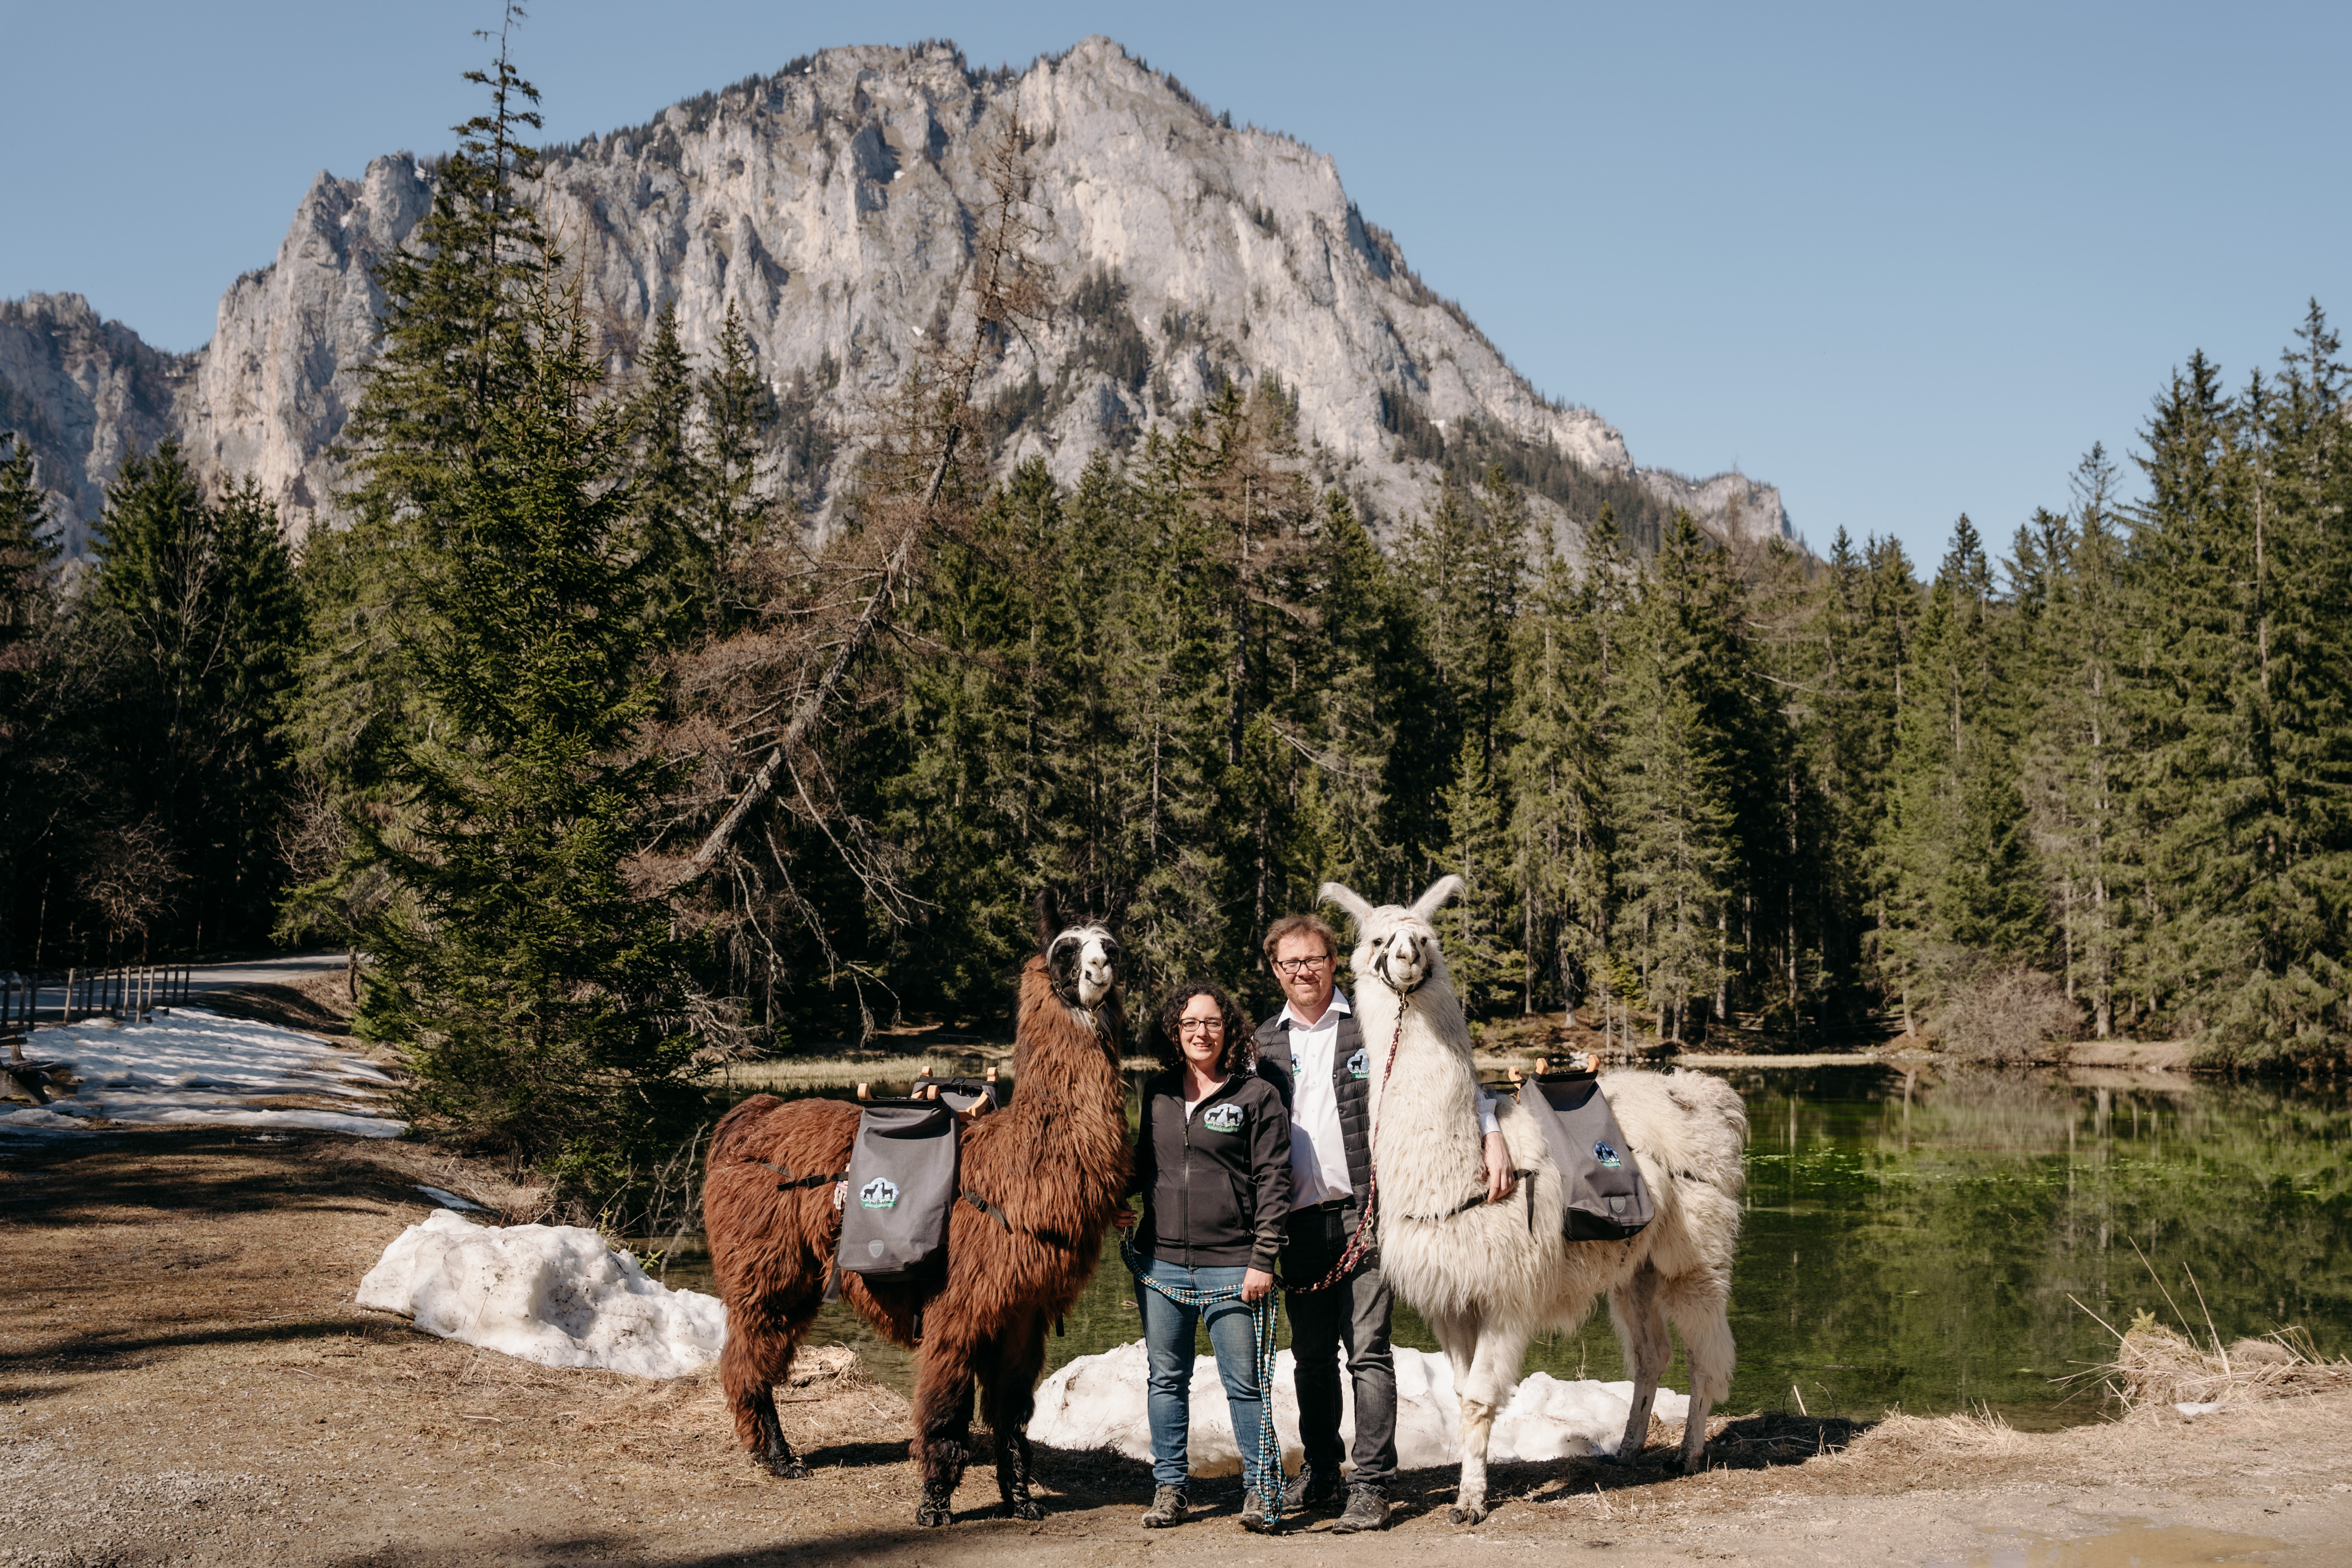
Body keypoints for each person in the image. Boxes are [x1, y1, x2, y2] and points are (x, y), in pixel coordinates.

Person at [1254, 912, 1515, 1532]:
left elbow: (1448, 1074)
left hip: (1368, 1210)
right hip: (1297, 1221)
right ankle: (1321, 1471)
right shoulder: (1263, 1041)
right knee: (1310, 1356)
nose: (1302, 971)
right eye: (1289, 962)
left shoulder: (1372, 1023)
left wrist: (1492, 1126)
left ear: (1336, 960)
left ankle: (1371, 1483)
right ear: (1275, 970)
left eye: (1313, 959)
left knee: (1367, 1352)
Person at [1123, 979, 1294, 1532]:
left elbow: (1274, 1181)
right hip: (1160, 1264)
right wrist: (1116, 1204)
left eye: (1212, 1022)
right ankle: (1170, 1488)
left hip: (1234, 1265)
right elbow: (1142, 1166)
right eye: (1190, 1023)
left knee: (1245, 1384)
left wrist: (1263, 1259)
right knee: (1165, 1379)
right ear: (1175, 1032)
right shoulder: (1158, 1093)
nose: (1201, 1031)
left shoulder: (1256, 1096)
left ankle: (1260, 1486)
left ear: (1229, 1031)